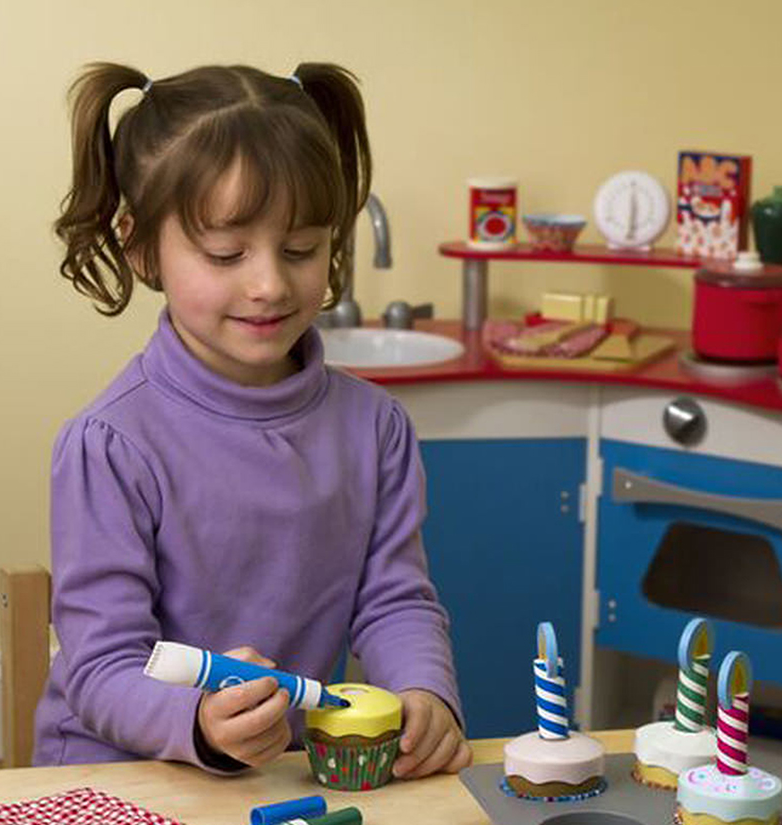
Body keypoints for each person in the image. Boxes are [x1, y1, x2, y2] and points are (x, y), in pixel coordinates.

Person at [34, 60, 472, 780]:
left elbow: (394, 600)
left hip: (270, 772)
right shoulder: (109, 444)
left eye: (301, 249)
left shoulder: (375, 427)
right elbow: (101, 667)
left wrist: (425, 694)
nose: (270, 283)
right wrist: (198, 725)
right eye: (226, 253)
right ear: (140, 245)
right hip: (113, 778)